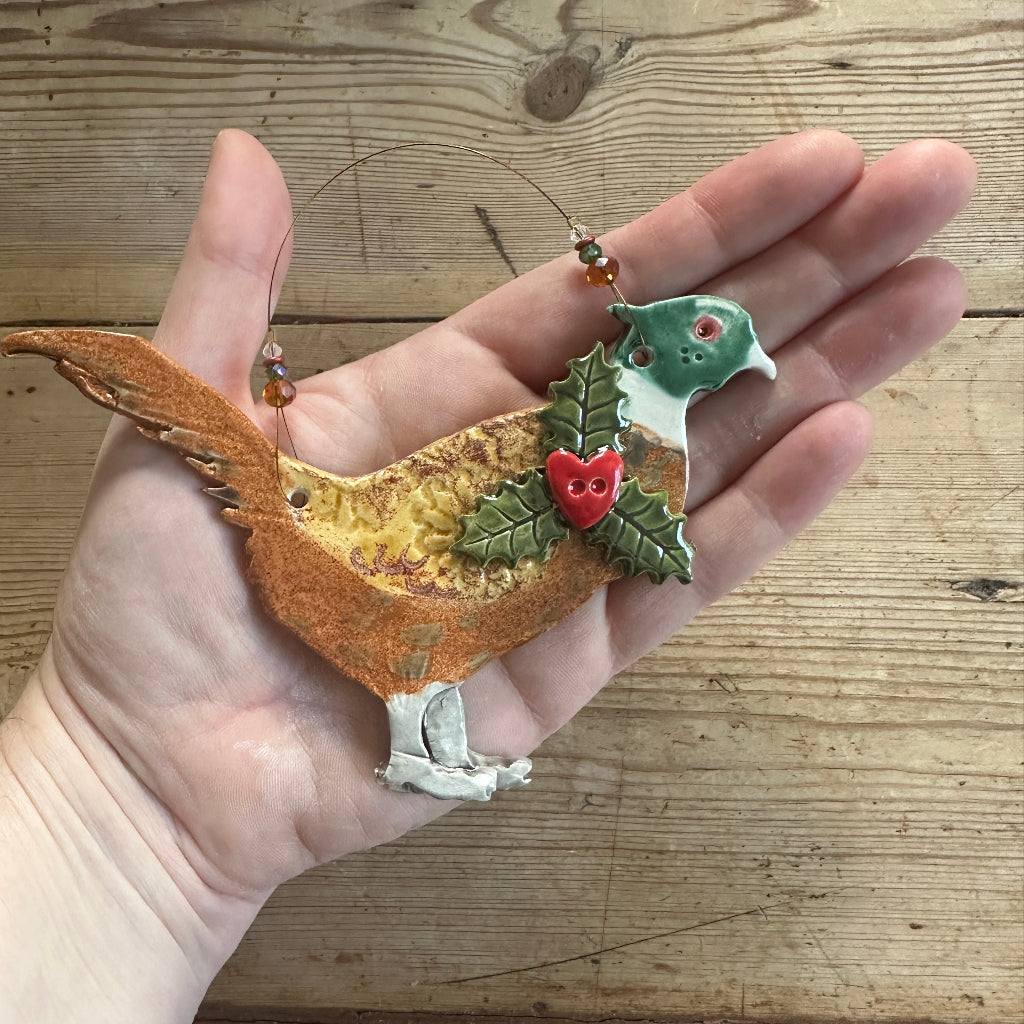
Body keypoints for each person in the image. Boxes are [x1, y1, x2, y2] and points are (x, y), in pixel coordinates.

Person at [0, 129, 975, 1021]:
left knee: (446, 638)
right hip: (366, 571)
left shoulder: (632, 461)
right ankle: (421, 749)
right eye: (719, 338)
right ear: (659, 346)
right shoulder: (560, 453)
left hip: (405, 607)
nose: (740, 356)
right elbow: (420, 556)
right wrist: (109, 793)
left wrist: (113, 828)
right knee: (432, 628)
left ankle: (429, 750)